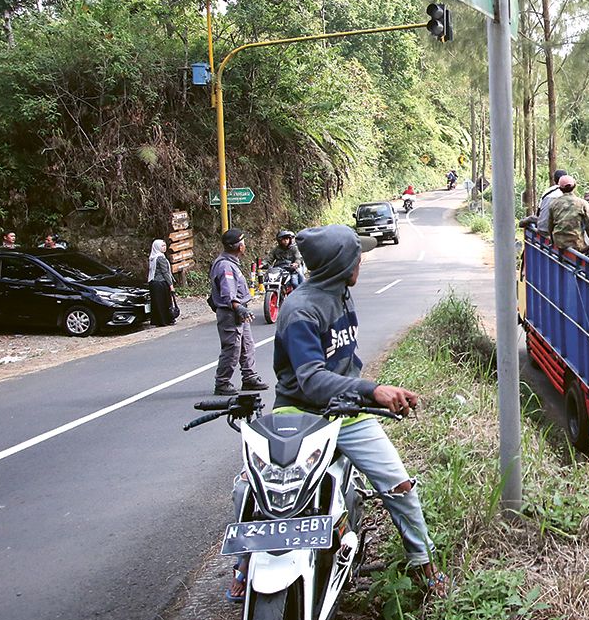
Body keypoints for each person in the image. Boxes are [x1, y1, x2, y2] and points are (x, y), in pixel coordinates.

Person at [229, 223, 445, 600]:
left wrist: (364, 393)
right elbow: (311, 380)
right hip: (299, 412)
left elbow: (344, 363)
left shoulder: (342, 292)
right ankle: (244, 566)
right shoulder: (300, 311)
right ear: (340, 264)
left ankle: (424, 565)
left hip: (349, 410)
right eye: (356, 255)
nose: (361, 258)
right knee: (252, 488)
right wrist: (372, 390)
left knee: (400, 487)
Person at [209, 228, 268, 396]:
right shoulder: (226, 266)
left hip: (239, 312)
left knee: (247, 345)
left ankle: (249, 377)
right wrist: (238, 307)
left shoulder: (231, 263)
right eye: (243, 243)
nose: (245, 246)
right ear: (239, 247)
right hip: (231, 313)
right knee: (232, 348)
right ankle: (222, 382)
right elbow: (228, 293)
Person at [547, 175, 589, 252]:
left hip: (559, 244)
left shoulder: (553, 203)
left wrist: (552, 241)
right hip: (576, 244)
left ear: (560, 188)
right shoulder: (582, 203)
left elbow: (550, 225)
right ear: (574, 186)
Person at [147, 239, 177, 327]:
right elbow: (165, 272)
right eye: (162, 246)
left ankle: (158, 320)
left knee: (157, 303)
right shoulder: (160, 258)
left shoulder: (153, 257)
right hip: (161, 283)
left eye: (164, 245)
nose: (164, 248)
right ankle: (166, 320)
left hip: (153, 283)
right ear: (157, 247)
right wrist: (171, 285)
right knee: (164, 302)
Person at [535, 169, 567, 235]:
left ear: (554, 180)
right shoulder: (565, 194)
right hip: (555, 232)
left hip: (541, 228)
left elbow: (538, 211)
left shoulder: (547, 191)